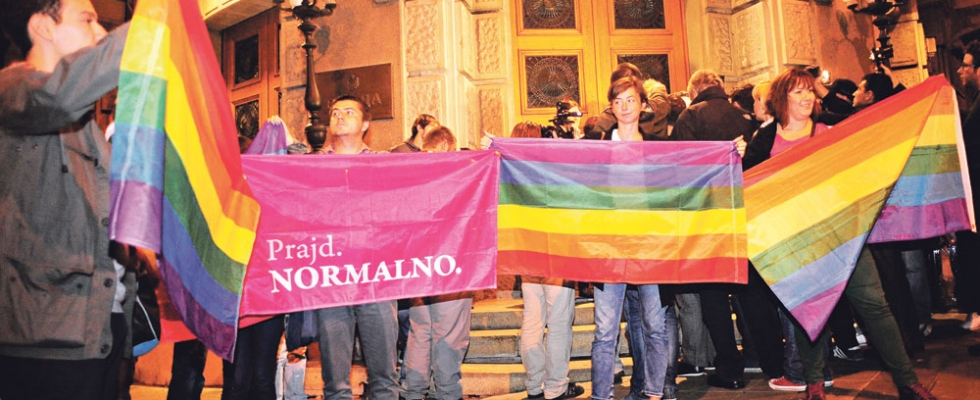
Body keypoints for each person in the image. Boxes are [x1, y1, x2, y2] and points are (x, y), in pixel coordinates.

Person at [741, 67, 937, 400]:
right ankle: (815, 384)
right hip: (799, 240)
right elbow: (749, 186)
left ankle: (907, 381)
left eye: (809, 91)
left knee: (875, 306)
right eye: (799, 91)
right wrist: (736, 159)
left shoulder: (829, 128)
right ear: (782, 98)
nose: (807, 97)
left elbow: (875, 125)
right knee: (809, 310)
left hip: (845, 234)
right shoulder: (765, 139)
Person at [0, 1, 139, 399]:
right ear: (43, 27)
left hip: (100, 328)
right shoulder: (12, 91)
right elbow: (56, 96)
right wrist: (152, 25)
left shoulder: (86, 127)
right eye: (87, 20)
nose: (100, 33)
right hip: (45, 340)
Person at [672, 70, 780, 391]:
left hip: (708, 219)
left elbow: (682, 170)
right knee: (752, 293)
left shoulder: (690, 117)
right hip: (744, 216)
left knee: (713, 298)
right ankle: (771, 361)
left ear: (694, 91)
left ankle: (730, 368)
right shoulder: (744, 116)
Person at [587, 76, 671, 400]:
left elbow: (689, 170)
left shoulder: (656, 148)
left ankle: (653, 393)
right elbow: (554, 162)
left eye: (631, 100)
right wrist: (501, 150)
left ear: (643, 105)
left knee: (655, 327)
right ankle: (602, 396)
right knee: (605, 332)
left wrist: (732, 152)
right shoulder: (596, 147)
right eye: (618, 101)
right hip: (608, 248)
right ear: (611, 107)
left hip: (649, 246)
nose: (624, 107)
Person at [314, 95, 400, 399]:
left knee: (385, 379)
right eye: (334, 112)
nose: (339, 116)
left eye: (349, 112)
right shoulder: (310, 168)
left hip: (377, 280)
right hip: (331, 282)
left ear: (365, 124)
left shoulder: (384, 166)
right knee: (335, 383)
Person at [503, 121, 585, 400]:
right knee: (559, 322)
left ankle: (534, 386)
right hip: (555, 253)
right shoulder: (548, 168)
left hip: (526, 254)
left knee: (532, 320)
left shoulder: (509, 173)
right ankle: (556, 387)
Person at [400, 126, 473, 400]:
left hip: (416, 265)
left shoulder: (407, 173)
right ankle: (447, 393)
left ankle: (413, 392)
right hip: (451, 264)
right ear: (444, 146)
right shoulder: (456, 172)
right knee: (449, 335)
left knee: (420, 333)